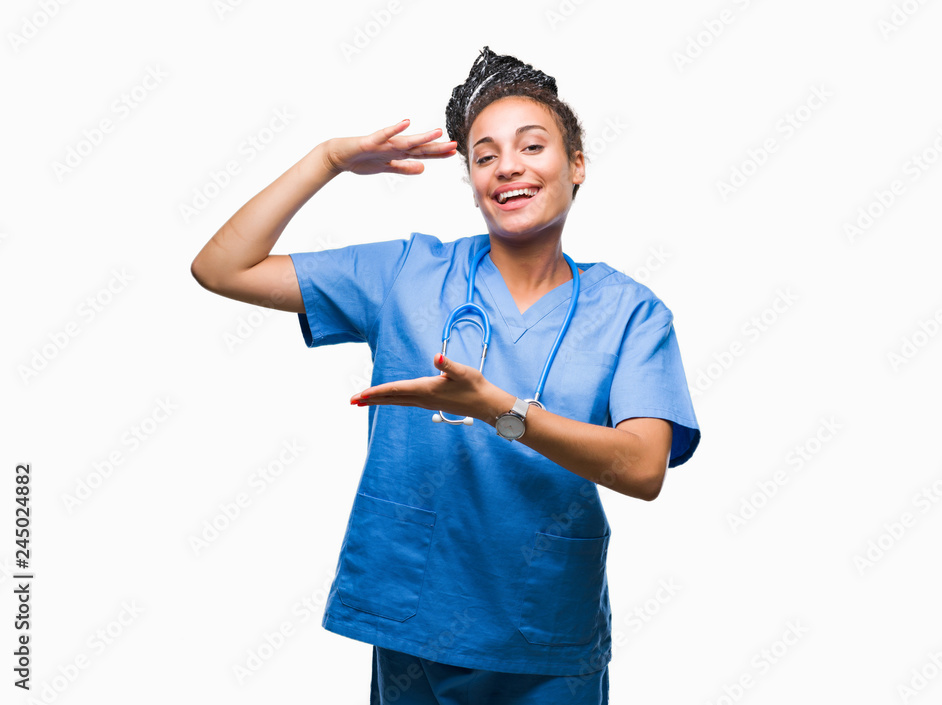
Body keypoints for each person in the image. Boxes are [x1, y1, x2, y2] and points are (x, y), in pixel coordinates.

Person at [191, 46, 700, 705]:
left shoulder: (631, 312)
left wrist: (500, 410)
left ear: (577, 164)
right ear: (472, 179)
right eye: (485, 156)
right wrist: (328, 160)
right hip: (417, 625)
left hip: (546, 637)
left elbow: (643, 468)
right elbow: (222, 268)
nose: (508, 166)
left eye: (532, 146)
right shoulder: (407, 274)